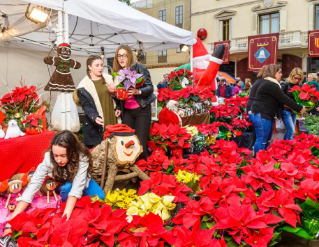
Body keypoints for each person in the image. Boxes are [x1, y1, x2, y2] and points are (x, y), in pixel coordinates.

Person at [3, 131, 105, 236]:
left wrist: (63, 220)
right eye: (56, 155)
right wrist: (10, 224)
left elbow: (77, 187)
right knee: (67, 190)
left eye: (63, 155)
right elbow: (34, 185)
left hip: (81, 180)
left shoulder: (82, 157)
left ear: (72, 152)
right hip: (63, 181)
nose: (59, 160)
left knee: (101, 197)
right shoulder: (48, 158)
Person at [113, 45, 156, 160]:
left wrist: (138, 91)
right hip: (127, 112)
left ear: (129, 56)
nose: (121, 58)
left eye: (124, 55)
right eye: (119, 56)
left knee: (140, 146)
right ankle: (132, 175)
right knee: (128, 144)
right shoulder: (118, 74)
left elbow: (150, 88)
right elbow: (119, 97)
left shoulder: (139, 68)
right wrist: (118, 107)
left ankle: (144, 173)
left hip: (142, 110)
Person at [251, 64, 306, 154]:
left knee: (266, 140)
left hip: (264, 115)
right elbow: (284, 98)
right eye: (279, 72)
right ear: (273, 73)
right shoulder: (271, 84)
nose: (281, 74)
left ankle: (263, 159)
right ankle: (258, 161)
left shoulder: (270, 83)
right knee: (262, 140)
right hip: (262, 115)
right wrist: (299, 108)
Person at [74, 55, 117, 149]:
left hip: (112, 119)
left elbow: (117, 98)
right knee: (101, 153)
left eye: (101, 65)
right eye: (97, 65)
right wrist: (95, 116)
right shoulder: (83, 86)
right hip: (99, 124)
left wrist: (118, 107)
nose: (100, 68)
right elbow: (86, 106)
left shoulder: (109, 79)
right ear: (89, 66)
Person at [278, 68, 304, 140]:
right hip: (285, 110)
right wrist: (279, 114)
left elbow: (299, 99)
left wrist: (300, 109)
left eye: (299, 78)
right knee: (291, 130)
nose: (297, 80)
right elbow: (280, 99)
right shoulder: (285, 84)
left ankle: (284, 146)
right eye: (295, 78)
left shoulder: (299, 85)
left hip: (294, 111)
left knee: (290, 130)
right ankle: (289, 147)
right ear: (291, 75)